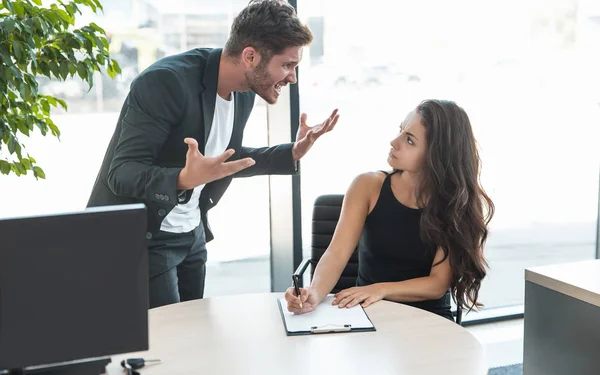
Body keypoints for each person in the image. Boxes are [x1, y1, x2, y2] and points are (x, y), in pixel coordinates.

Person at [87, 0, 340, 309]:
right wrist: (182, 179)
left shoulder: (244, 93)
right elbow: (121, 172)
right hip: (146, 236)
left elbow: (225, 160)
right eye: (287, 65)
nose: (292, 78)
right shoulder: (167, 82)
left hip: (190, 233)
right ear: (250, 56)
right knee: (168, 343)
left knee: (192, 338)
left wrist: (292, 153)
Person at [285, 99, 494, 321]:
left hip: (428, 319)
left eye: (410, 140)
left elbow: (437, 284)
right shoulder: (367, 186)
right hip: (368, 314)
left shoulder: (455, 203)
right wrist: (314, 294)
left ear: (436, 156)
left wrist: (380, 289)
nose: (394, 142)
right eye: (401, 130)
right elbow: (336, 254)